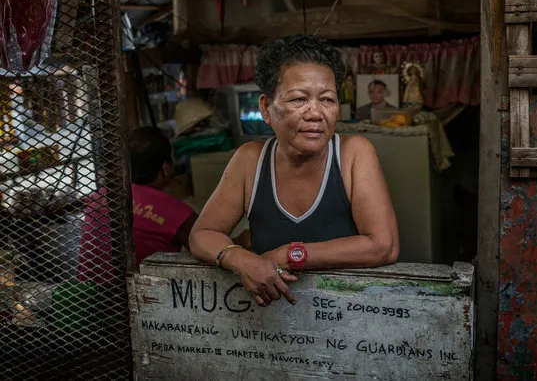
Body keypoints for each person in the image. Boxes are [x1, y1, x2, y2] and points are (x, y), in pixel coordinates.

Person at [190, 34, 399, 307]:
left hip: (347, 313)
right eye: (299, 99)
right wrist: (241, 259)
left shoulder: (354, 154)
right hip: (271, 319)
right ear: (266, 108)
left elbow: (384, 246)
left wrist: (290, 254)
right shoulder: (250, 160)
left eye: (327, 100)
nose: (315, 113)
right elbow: (202, 234)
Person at [78, 127, 198, 282]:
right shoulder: (179, 215)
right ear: (165, 168)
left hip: (89, 299)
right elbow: (214, 250)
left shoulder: (99, 196)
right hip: (142, 301)